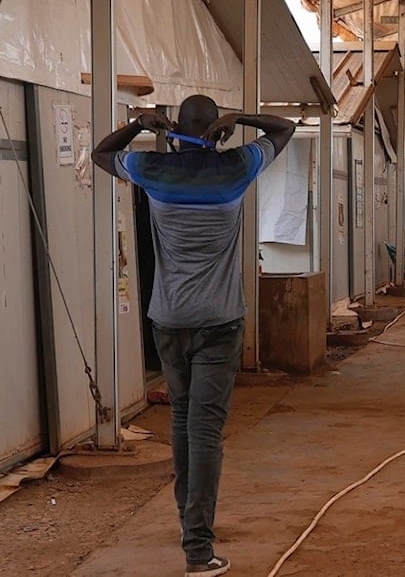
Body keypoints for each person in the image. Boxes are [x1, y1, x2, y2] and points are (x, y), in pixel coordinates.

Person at [92, 95, 295, 577]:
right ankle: (198, 550)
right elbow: (283, 130)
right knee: (204, 431)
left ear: (173, 127)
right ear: (219, 131)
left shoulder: (152, 168)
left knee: (183, 420)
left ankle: (189, 522)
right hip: (220, 323)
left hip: (168, 320)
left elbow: (102, 155)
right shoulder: (236, 167)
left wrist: (136, 123)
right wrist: (242, 118)